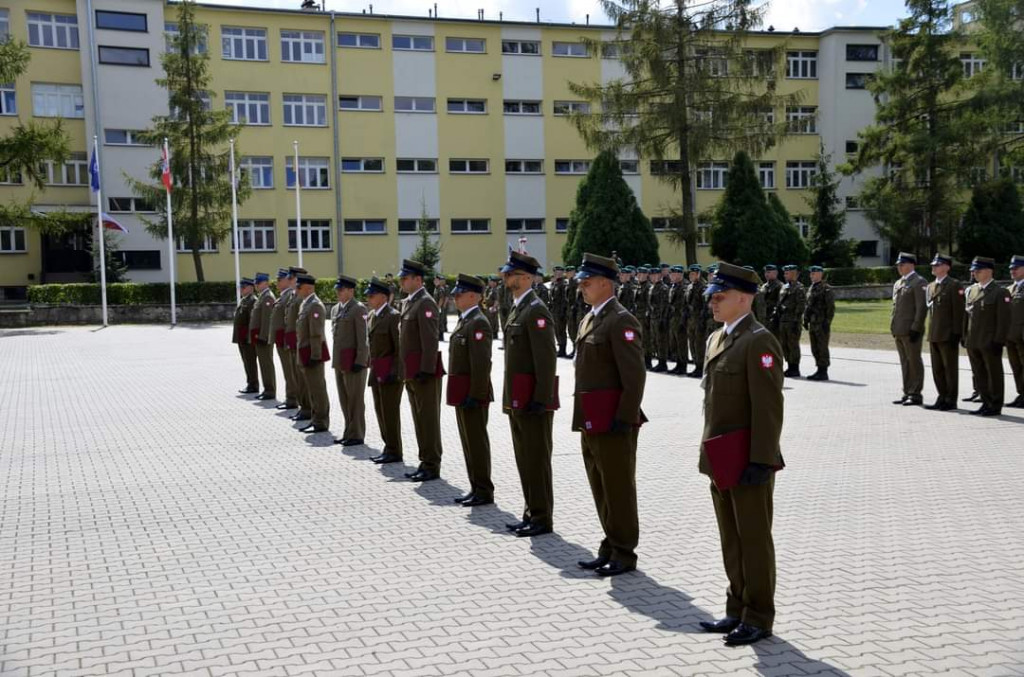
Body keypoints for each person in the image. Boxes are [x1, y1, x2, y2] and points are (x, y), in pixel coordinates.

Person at [697, 262, 785, 647]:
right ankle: (736, 608)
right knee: (731, 538)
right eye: (712, 296)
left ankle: (759, 616)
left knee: (753, 539)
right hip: (721, 456)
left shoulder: (759, 341)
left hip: (748, 458)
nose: (713, 302)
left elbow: (768, 409)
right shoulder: (717, 338)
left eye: (721, 296)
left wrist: (761, 460)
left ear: (745, 298)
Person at [572, 253, 647, 577]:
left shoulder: (621, 320)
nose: (582, 287)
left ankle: (624, 552)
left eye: (587, 282)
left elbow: (634, 376)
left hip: (614, 421)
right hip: (592, 418)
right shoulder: (589, 318)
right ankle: (610, 543)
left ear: (606, 283)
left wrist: (624, 417)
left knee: (618, 487)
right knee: (600, 485)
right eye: (581, 282)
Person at [501, 250, 558, 538]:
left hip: (533, 400)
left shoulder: (535, 310)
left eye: (510, 274)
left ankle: (541, 517)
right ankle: (530, 511)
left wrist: (541, 397)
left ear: (525, 278)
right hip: (518, 399)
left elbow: (546, 359)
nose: (505, 277)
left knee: (536, 459)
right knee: (525, 458)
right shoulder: (517, 307)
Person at [447, 274, 495, 507]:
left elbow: (481, 364)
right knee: (468, 441)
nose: (455, 297)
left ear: (474, 296)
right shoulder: (465, 319)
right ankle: (475, 486)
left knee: (476, 442)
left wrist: (476, 395)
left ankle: (484, 490)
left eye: (460, 293)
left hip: (473, 394)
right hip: (462, 392)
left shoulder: (478, 322)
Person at [398, 259, 445, 482]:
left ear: (418, 279)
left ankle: (432, 464)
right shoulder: (409, 302)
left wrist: (426, 369)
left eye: (405, 278)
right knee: (419, 418)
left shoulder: (425, 303)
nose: (402, 282)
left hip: (423, 373)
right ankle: (424, 460)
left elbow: (430, 340)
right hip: (412, 371)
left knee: (428, 419)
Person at [963, 256, 1012, 416]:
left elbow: (1004, 320)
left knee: (993, 374)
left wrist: (999, 341)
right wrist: (965, 336)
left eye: (978, 270)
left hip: (990, 341)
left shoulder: (1000, 292)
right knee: (979, 374)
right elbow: (967, 316)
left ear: (989, 271)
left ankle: (995, 404)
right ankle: (985, 402)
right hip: (973, 341)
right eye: (974, 270)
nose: (975, 273)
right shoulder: (972, 291)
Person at [365, 278, 404, 464]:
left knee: (390, 412)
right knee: (380, 410)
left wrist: (395, 372)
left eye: (371, 296)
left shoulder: (393, 316)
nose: (368, 299)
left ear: (382, 297)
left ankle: (394, 450)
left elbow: (399, 348)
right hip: (377, 369)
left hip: (389, 372)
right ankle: (388, 446)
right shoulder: (372, 315)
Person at [330, 275, 369, 446]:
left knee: (355, 399)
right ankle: (348, 430)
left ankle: (357, 433)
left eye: (341, 290)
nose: (338, 293)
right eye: (337, 290)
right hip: (340, 361)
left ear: (351, 291)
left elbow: (363, 338)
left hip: (354, 362)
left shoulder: (358, 309)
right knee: (344, 398)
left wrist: (360, 360)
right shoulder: (336, 309)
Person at [924, 254, 965, 411]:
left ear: (947, 267)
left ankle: (951, 399)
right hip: (934, 334)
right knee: (937, 369)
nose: (934, 267)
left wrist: (957, 333)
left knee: (950, 369)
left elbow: (959, 312)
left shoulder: (954, 285)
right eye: (933, 265)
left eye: (938, 264)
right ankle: (941, 397)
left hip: (948, 335)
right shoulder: (931, 286)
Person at [890, 252, 928, 405]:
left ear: (911, 265)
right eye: (898, 264)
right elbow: (895, 308)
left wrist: (916, 327)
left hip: (911, 330)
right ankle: (907, 391)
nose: (899, 267)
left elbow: (921, 308)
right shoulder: (899, 283)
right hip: (899, 329)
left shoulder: (919, 282)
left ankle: (916, 393)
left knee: (914, 361)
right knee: (904, 362)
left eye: (902, 264)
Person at [295, 273, 330, 434]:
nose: (296, 290)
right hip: (305, 352)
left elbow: (316, 334)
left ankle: (321, 421)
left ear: (308, 288)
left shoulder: (315, 305)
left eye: (299, 287)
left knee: (318, 389)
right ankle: (315, 419)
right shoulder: (305, 304)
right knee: (312, 389)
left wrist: (315, 356)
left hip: (312, 353)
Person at [285, 267, 312, 423]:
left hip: (300, 342)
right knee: (296, 377)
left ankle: (307, 408)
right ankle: (303, 407)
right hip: (294, 341)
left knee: (302, 379)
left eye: (292, 278)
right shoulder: (294, 296)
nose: (290, 281)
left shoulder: (302, 298)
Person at [270, 268, 299, 411]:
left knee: (290, 371)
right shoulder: (284, 296)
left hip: (286, 339)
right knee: (288, 371)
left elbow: (289, 320)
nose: (276, 283)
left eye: (279, 280)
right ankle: (290, 397)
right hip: (282, 339)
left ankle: (292, 398)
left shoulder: (289, 296)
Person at [803, 266, 835, 381]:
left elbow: (830, 308)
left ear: (820, 274)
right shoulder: (811, 288)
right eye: (811, 274)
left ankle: (823, 371)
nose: (811, 276)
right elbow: (808, 306)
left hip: (821, 323)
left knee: (822, 347)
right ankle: (818, 369)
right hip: (813, 322)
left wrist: (827, 322)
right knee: (814, 347)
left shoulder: (826, 288)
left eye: (814, 273)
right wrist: (805, 320)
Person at [248, 272, 277, 400]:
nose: (256, 285)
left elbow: (267, 320)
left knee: (266, 364)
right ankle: (267, 389)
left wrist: (264, 337)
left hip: (263, 337)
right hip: (259, 336)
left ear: (266, 283)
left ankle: (270, 390)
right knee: (263, 364)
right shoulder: (262, 297)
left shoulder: (267, 298)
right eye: (256, 283)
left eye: (258, 283)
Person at [775, 265, 806, 378]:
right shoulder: (784, 287)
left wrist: (796, 320)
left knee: (793, 344)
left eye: (787, 273)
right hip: (783, 320)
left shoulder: (799, 288)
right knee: (784, 344)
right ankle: (789, 366)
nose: (785, 275)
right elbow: (779, 302)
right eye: (785, 273)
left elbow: (801, 306)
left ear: (794, 274)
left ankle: (795, 368)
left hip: (793, 321)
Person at [232, 277, 259, 394]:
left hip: (247, 337)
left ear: (251, 288)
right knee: (246, 361)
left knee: (250, 361)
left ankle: (253, 384)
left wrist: (249, 337)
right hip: (241, 336)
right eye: (240, 287)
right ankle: (250, 382)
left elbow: (252, 321)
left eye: (243, 287)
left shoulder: (252, 301)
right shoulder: (244, 300)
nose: (241, 290)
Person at [1006, 256, 1024, 408]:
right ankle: (1021, 394)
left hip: (1022, 336)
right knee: (1016, 366)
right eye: (1011, 268)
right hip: (1010, 336)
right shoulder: (1009, 289)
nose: (1012, 271)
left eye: (1016, 268)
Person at [684, 265, 707, 378]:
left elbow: (704, 305)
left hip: (698, 319)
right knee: (692, 343)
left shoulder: (703, 287)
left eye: (693, 274)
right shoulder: (689, 287)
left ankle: (700, 366)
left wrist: (702, 320)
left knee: (699, 344)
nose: (691, 276)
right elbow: (686, 303)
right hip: (690, 319)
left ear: (698, 274)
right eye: (690, 274)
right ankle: (695, 364)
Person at [648, 267, 671, 372]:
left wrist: (663, 319)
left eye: (655, 275)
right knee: (655, 341)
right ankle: (659, 361)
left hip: (660, 318)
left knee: (661, 341)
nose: (653, 277)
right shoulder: (652, 287)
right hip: (653, 317)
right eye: (651, 275)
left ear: (660, 275)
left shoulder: (663, 288)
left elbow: (665, 305)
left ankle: (663, 362)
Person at [668, 265, 689, 374]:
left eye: (673, 274)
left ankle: (683, 365)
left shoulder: (684, 287)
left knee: (681, 343)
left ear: (680, 274)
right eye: (671, 274)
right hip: (674, 318)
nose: (671, 276)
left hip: (680, 318)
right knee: (674, 343)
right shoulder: (674, 286)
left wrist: (683, 321)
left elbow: (685, 306)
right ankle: (678, 364)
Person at [550, 266, 569, 357]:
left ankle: (563, 349)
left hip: (560, 311)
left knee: (561, 330)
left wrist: (562, 312)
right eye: (556, 273)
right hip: (554, 311)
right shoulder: (554, 284)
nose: (558, 274)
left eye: (560, 273)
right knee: (556, 330)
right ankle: (560, 347)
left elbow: (564, 300)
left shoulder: (563, 284)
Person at [760, 265, 783, 338]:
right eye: (765, 272)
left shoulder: (780, 286)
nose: (766, 274)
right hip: (763, 318)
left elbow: (780, 303)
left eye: (768, 272)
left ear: (775, 273)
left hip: (774, 319)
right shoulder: (764, 286)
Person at [565, 266, 580, 357]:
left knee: (576, 329)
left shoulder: (576, 282)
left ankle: (577, 350)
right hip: (570, 309)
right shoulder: (569, 282)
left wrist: (576, 306)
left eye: (569, 271)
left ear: (574, 272)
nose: (568, 273)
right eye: (567, 272)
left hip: (576, 309)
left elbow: (578, 297)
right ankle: (574, 348)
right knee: (571, 329)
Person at [433, 274, 450, 341]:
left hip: (440, 307)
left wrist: (438, 307)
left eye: (436, 280)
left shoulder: (440, 289)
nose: (434, 281)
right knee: (438, 321)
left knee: (440, 321)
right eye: (434, 280)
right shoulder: (436, 288)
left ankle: (441, 336)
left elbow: (441, 299)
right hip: (438, 307)